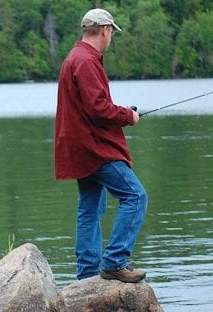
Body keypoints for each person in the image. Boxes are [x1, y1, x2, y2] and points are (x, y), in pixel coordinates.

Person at [54, 8, 148, 283]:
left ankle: (86, 276)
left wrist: (120, 111)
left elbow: (91, 106)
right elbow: (98, 109)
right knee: (135, 197)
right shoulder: (86, 61)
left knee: (90, 208)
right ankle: (115, 262)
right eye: (111, 33)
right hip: (94, 148)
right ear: (105, 30)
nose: (111, 38)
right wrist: (127, 116)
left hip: (80, 147)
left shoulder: (77, 57)